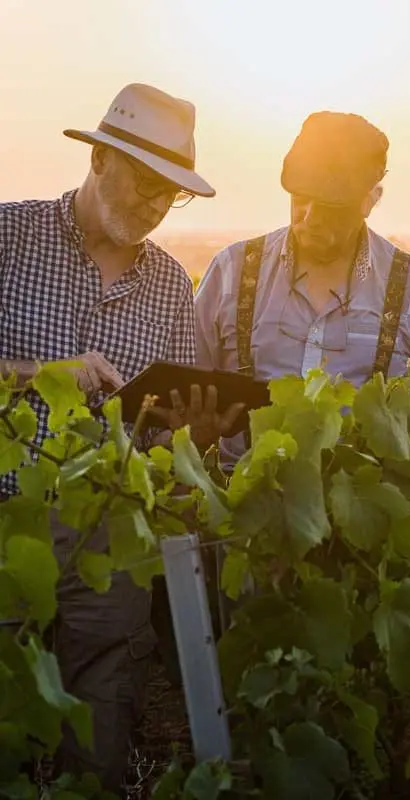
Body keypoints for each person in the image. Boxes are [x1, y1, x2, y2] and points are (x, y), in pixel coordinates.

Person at [0, 83, 240, 792]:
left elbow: (159, 437)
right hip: (6, 521)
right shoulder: (8, 238)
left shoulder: (172, 285)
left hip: (111, 540)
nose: (155, 206)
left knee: (99, 748)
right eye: (146, 184)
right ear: (100, 157)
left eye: (172, 195)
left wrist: (192, 433)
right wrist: (40, 376)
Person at [194, 110, 410, 469]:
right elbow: (184, 403)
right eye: (301, 198)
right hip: (239, 506)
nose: (310, 217)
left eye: (331, 206)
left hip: (366, 508)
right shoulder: (231, 272)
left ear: (371, 200)